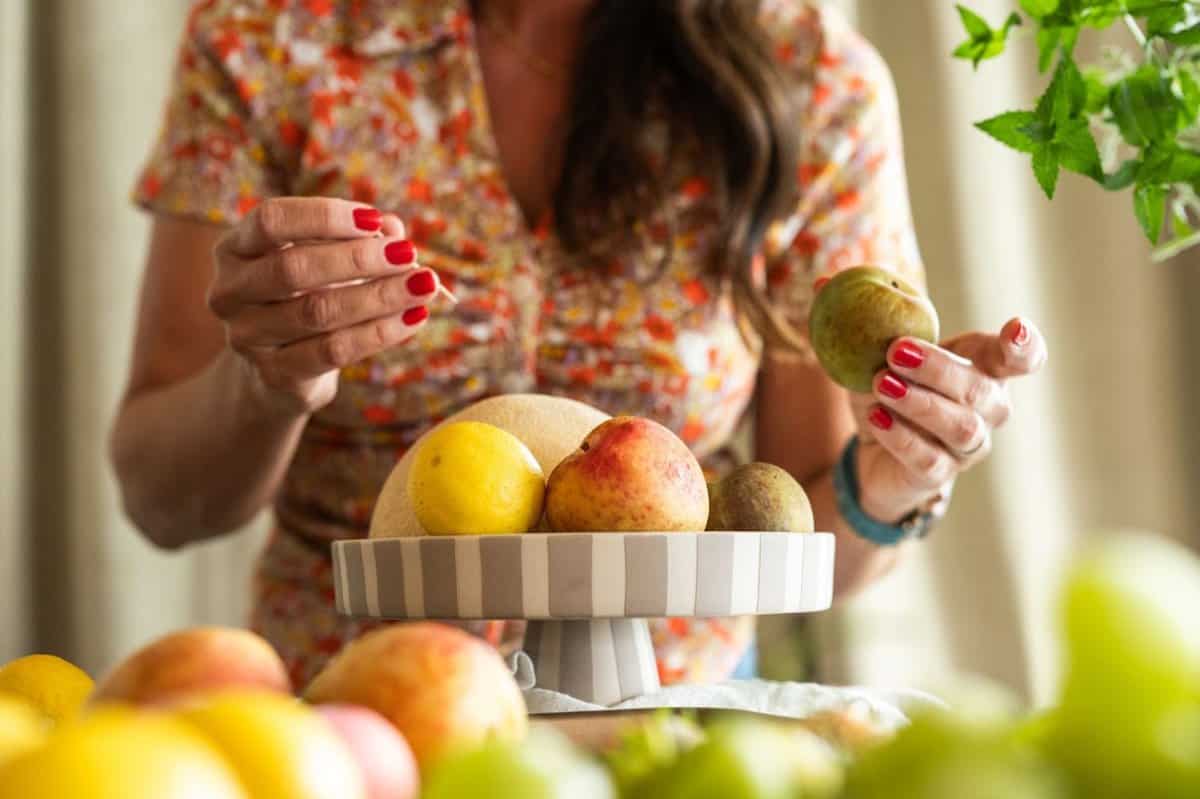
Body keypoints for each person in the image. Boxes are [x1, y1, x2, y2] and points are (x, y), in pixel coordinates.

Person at [110, 0, 1048, 690]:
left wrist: (881, 485)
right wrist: (265, 381)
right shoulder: (266, 43)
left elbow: (794, 534)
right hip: (351, 729)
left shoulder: (810, 78)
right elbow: (162, 500)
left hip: (668, 743)